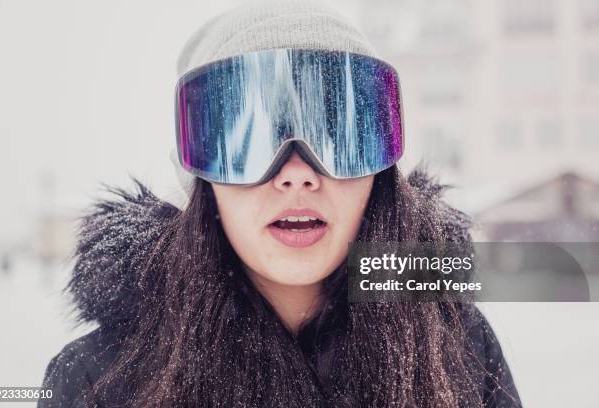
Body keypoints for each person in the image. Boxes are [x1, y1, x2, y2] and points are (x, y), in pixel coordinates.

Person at [38, 1, 522, 407]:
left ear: (380, 174)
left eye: (338, 139)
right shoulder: (96, 381)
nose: (297, 175)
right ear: (201, 179)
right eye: (250, 142)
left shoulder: (458, 349)